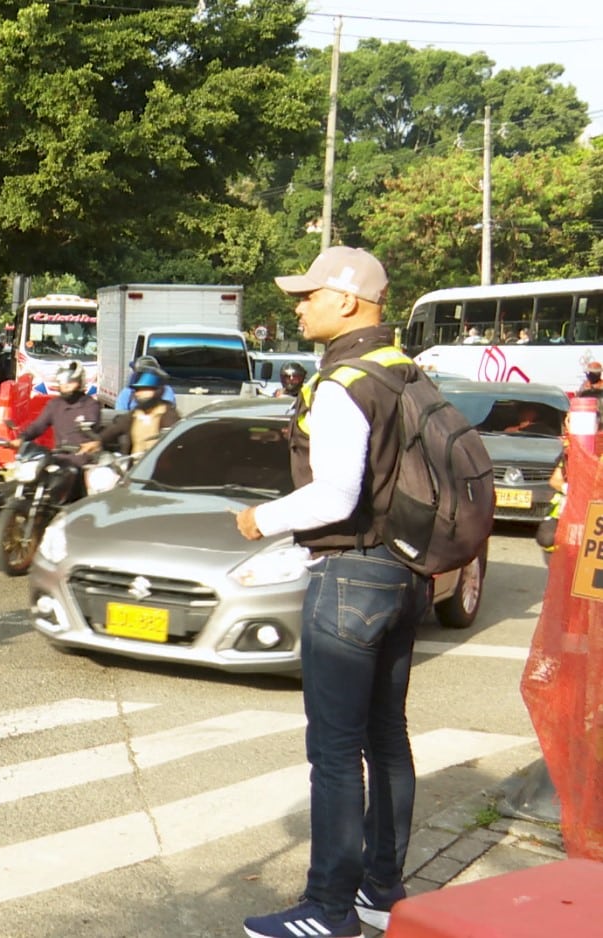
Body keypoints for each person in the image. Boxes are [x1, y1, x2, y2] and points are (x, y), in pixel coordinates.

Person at [234, 246, 429, 938]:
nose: (298, 305)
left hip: (349, 577)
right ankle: (382, 890)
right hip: (405, 574)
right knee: (387, 740)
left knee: (335, 753)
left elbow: (336, 493)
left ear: (346, 300)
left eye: (308, 294)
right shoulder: (404, 371)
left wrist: (264, 518)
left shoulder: (344, 382)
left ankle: (326, 909)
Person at [14, 360, 102, 479]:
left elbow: (92, 423)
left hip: (82, 460)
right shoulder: (54, 404)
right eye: (62, 382)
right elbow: (38, 426)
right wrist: (22, 438)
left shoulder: (90, 404)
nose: (65, 386)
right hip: (58, 458)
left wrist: (89, 441)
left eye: (70, 382)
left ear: (80, 382)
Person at [81, 369, 178, 458]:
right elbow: (116, 428)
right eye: (137, 390)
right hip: (134, 469)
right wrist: (97, 441)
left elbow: (174, 443)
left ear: (157, 390)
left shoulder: (168, 414)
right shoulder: (136, 414)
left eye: (144, 389)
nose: (138, 394)